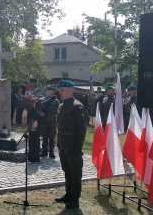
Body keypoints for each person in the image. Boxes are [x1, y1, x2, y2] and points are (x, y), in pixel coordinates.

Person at [55, 80, 87, 209]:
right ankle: (68, 194)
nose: (60, 92)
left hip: (73, 143)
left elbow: (82, 128)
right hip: (63, 142)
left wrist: (78, 146)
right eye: (60, 89)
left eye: (62, 89)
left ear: (70, 90)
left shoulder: (77, 106)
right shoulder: (62, 105)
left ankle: (75, 198)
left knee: (75, 172)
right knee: (66, 170)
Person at [37, 86, 59, 158]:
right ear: (45, 91)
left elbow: (58, 112)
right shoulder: (41, 100)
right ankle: (44, 151)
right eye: (48, 90)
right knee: (44, 137)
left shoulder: (55, 101)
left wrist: (57, 122)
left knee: (52, 137)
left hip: (52, 122)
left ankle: (52, 152)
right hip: (43, 122)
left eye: (51, 90)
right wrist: (39, 113)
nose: (50, 92)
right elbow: (35, 109)